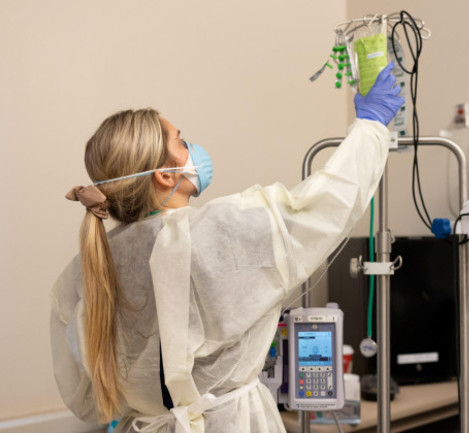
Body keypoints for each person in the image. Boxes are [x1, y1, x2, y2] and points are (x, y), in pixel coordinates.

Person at [51, 63, 404, 433]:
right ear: (166, 174)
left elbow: (85, 397)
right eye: (181, 141)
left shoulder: (86, 267)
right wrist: (371, 127)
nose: (193, 148)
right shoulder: (218, 234)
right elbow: (324, 205)